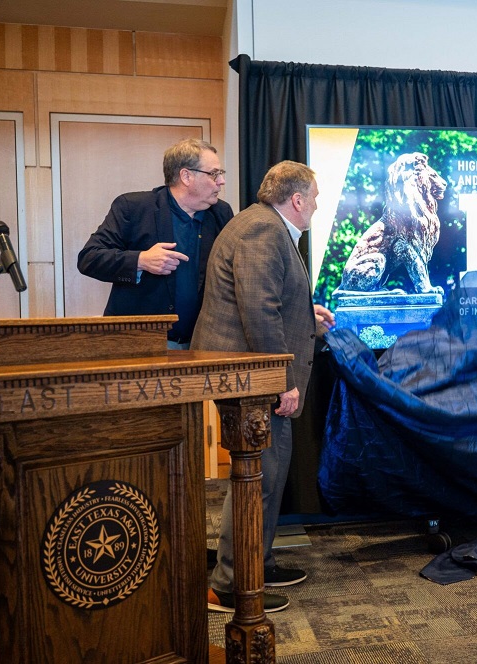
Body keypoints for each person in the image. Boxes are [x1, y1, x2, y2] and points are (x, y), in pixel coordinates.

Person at [192, 160, 335, 612]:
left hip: (251, 372)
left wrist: (304, 316)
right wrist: (283, 383)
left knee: (267, 473)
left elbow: (266, 300)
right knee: (260, 476)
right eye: (313, 198)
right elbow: (257, 312)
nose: (316, 205)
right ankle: (232, 583)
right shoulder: (264, 231)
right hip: (250, 377)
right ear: (296, 200)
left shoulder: (263, 226)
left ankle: (258, 561)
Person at [77, 138, 232, 349]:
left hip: (199, 344)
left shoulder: (220, 213)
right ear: (186, 176)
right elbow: (89, 258)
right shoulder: (133, 208)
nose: (221, 181)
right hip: (137, 343)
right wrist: (140, 260)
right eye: (214, 174)